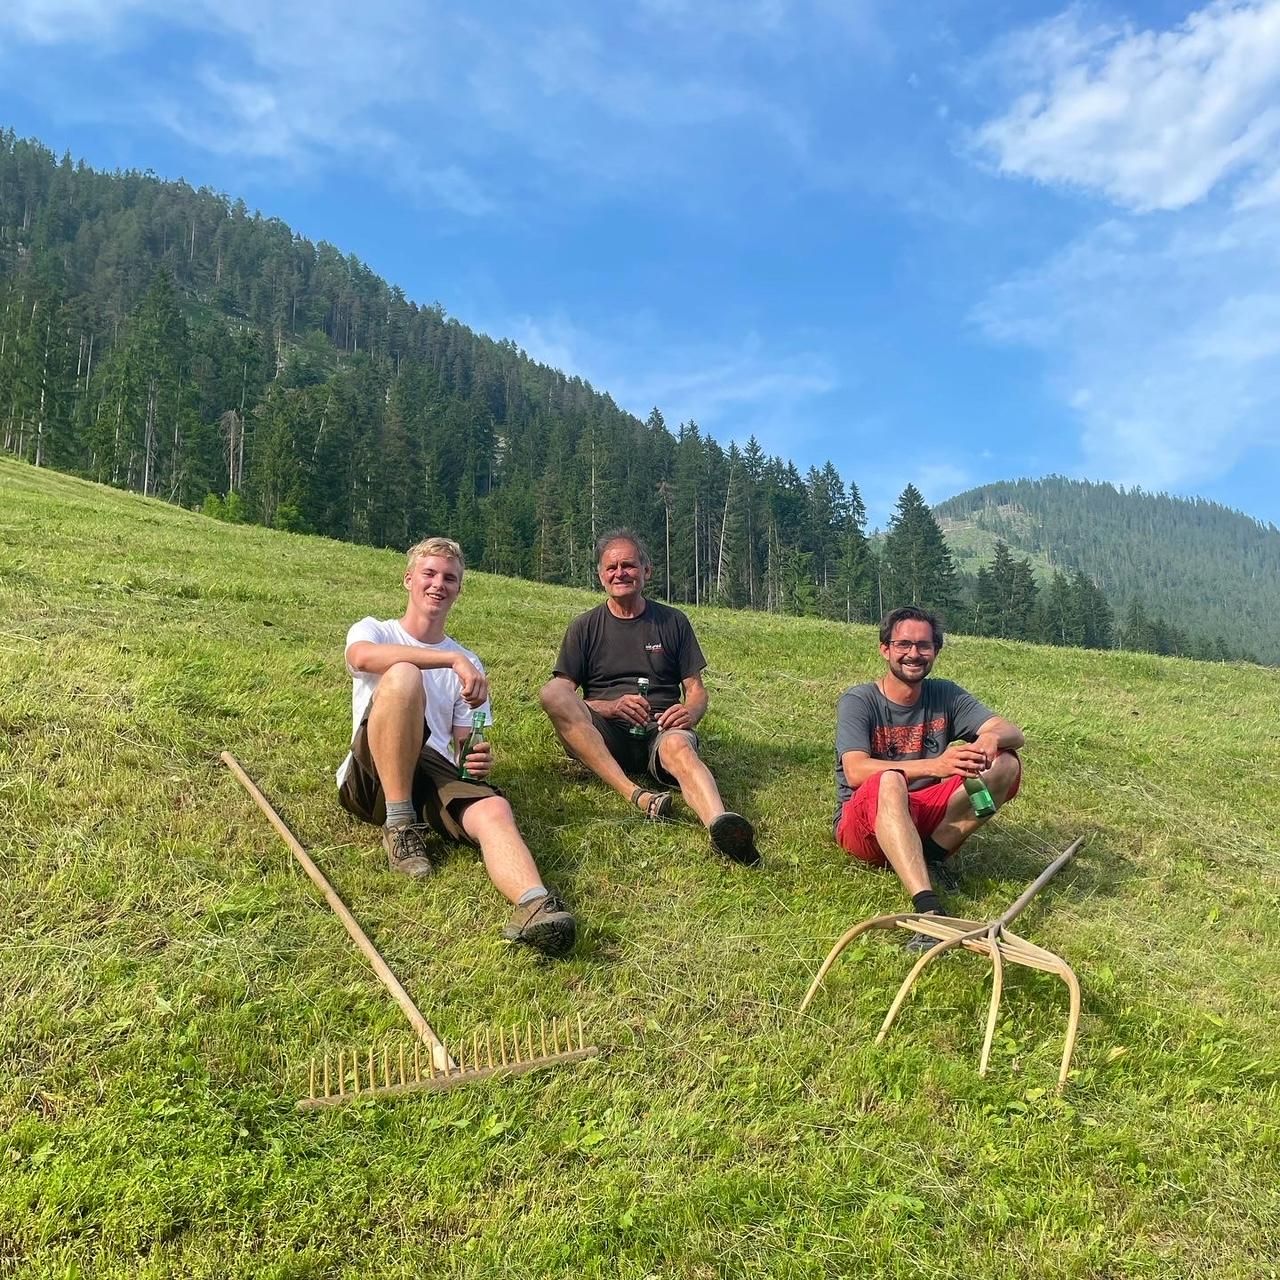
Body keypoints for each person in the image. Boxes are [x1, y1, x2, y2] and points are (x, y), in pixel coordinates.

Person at [337, 536, 576, 958]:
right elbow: (361, 658)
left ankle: (534, 904)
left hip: (432, 773)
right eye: (428, 574)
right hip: (372, 778)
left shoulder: (469, 662)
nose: (438, 584)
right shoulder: (375, 629)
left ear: (459, 589)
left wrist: (476, 758)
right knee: (404, 674)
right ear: (408, 579)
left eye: (449, 578)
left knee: (495, 808)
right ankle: (399, 825)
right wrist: (450, 661)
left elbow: (466, 743)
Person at [539, 529, 759, 866]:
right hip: (604, 733)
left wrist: (689, 712)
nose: (620, 573)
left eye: (628, 565)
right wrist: (610, 707)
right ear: (600, 576)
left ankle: (721, 826)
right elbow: (562, 694)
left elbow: (696, 689)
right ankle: (635, 794)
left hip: (660, 728)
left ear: (647, 571)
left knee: (679, 746)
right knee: (551, 691)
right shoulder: (584, 627)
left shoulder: (672, 621)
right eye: (611, 567)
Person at [833, 605, 1024, 940]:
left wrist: (990, 738)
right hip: (865, 824)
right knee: (890, 779)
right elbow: (855, 771)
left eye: (923, 645)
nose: (913, 654)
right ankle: (928, 909)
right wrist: (935, 766)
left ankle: (932, 856)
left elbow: (1014, 733)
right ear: (885, 649)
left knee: (1006, 763)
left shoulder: (944, 694)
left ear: (935, 650)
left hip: (923, 814)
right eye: (903, 644)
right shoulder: (859, 700)